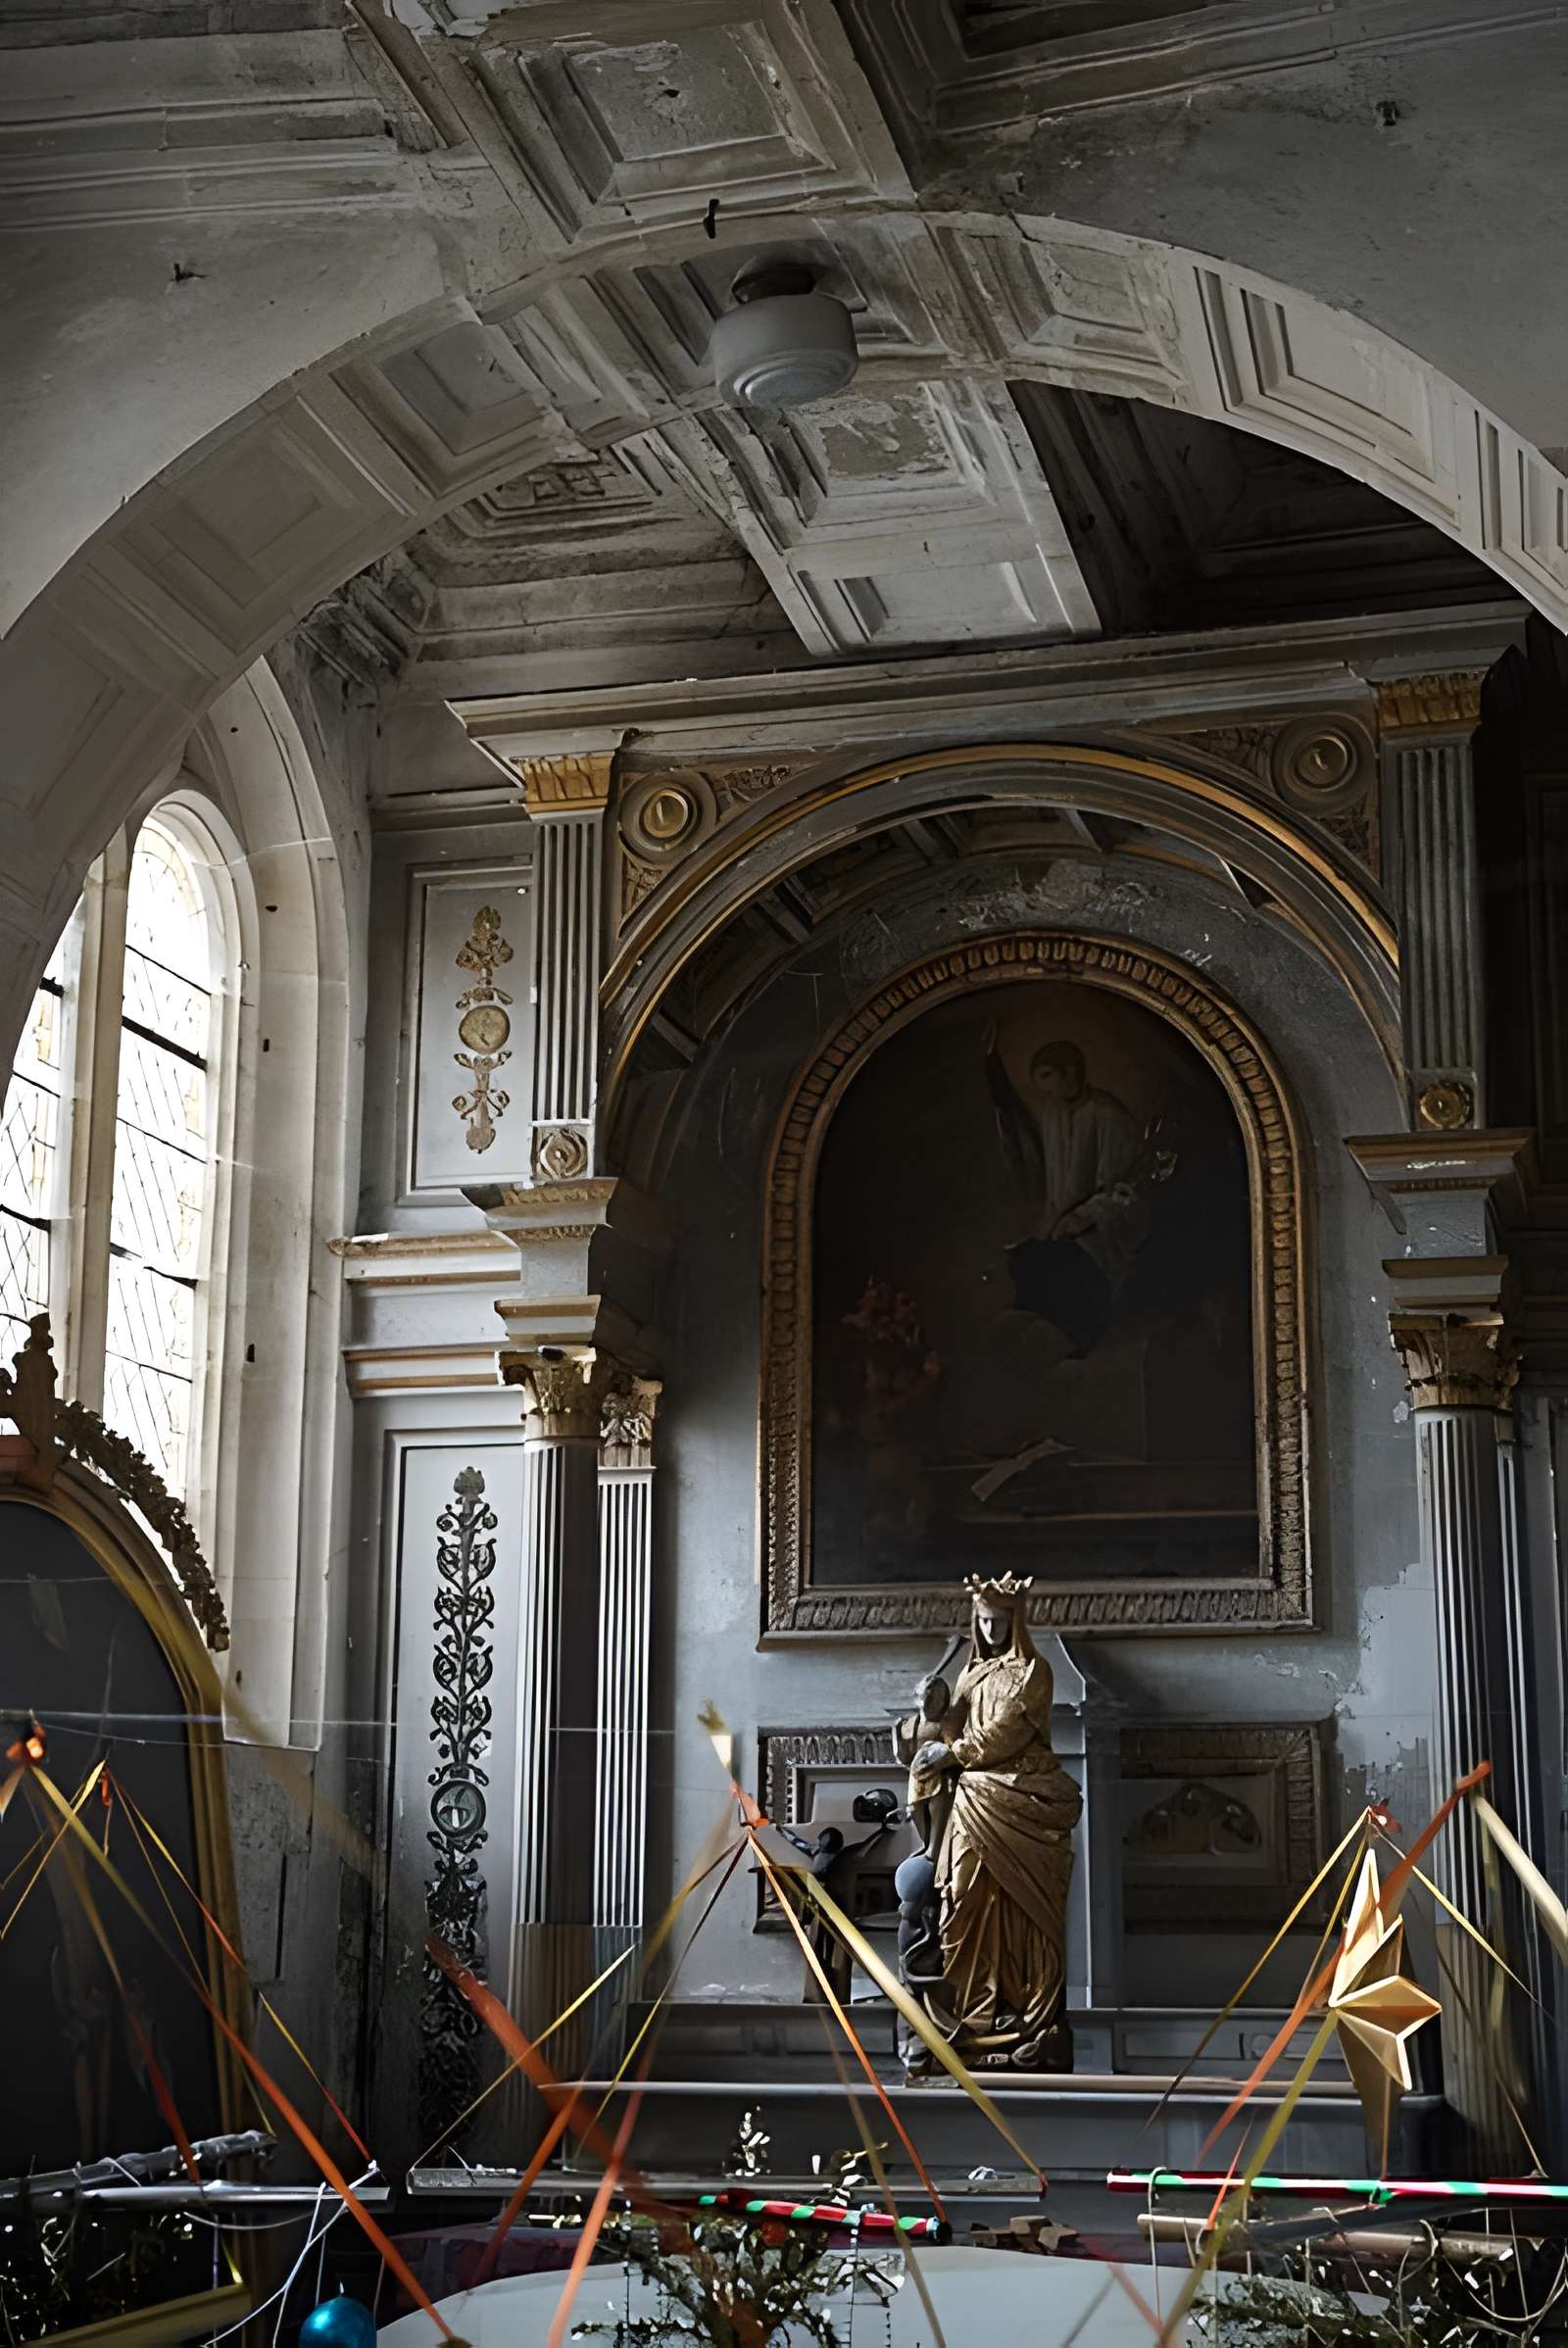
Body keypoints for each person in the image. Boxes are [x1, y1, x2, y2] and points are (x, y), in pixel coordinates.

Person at [903, 1573, 1081, 2072]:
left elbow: (1007, 1734)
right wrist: (933, 1707)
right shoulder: (971, 1674)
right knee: (959, 1899)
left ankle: (1020, 2014)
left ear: (1015, 1622)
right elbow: (952, 1721)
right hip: (972, 1803)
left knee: (1022, 1913)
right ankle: (968, 2017)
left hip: (1020, 1800)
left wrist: (952, 1753)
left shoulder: (1032, 1671)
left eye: (999, 1622)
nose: (990, 1631)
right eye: (983, 1622)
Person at [984, 1026, 1152, 1355]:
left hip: (1098, 1233)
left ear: (1071, 1072)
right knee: (1025, 1261)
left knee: (1063, 1270)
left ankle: (1075, 1342)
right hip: (1062, 1230)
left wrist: (1080, 1218)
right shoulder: (1053, 1114)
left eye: (1049, 1076)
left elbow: (1126, 1191)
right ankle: (1040, 1337)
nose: (1047, 1093)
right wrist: (1053, 1220)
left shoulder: (1109, 1116)